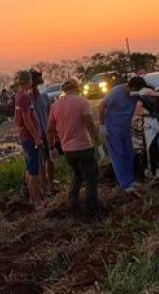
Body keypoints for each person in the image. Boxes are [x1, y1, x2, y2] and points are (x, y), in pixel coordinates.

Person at [48, 78, 101, 220]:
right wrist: (99, 144)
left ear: (63, 91)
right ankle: (92, 211)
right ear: (77, 88)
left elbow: (50, 129)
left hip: (68, 150)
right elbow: (90, 124)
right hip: (84, 147)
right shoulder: (82, 102)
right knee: (91, 179)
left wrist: (52, 147)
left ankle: (71, 204)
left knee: (77, 175)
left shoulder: (55, 106)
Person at [98, 77, 148, 196]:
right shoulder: (116, 92)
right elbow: (101, 106)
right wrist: (102, 125)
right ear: (131, 86)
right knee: (118, 155)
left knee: (128, 154)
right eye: (137, 89)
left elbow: (149, 100)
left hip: (125, 129)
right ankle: (124, 184)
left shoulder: (136, 95)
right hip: (112, 130)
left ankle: (130, 180)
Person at [15, 71, 43, 209]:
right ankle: (37, 201)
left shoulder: (20, 95)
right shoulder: (24, 97)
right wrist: (36, 138)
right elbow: (26, 119)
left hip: (25, 136)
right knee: (34, 170)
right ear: (28, 80)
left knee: (29, 167)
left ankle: (32, 199)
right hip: (29, 137)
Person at [31, 71, 55, 195]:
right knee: (40, 162)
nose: (40, 83)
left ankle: (50, 185)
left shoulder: (44, 93)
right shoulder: (28, 97)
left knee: (50, 159)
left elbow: (50, 111)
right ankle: (44, 188)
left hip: (47, 131)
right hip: (36, 135)